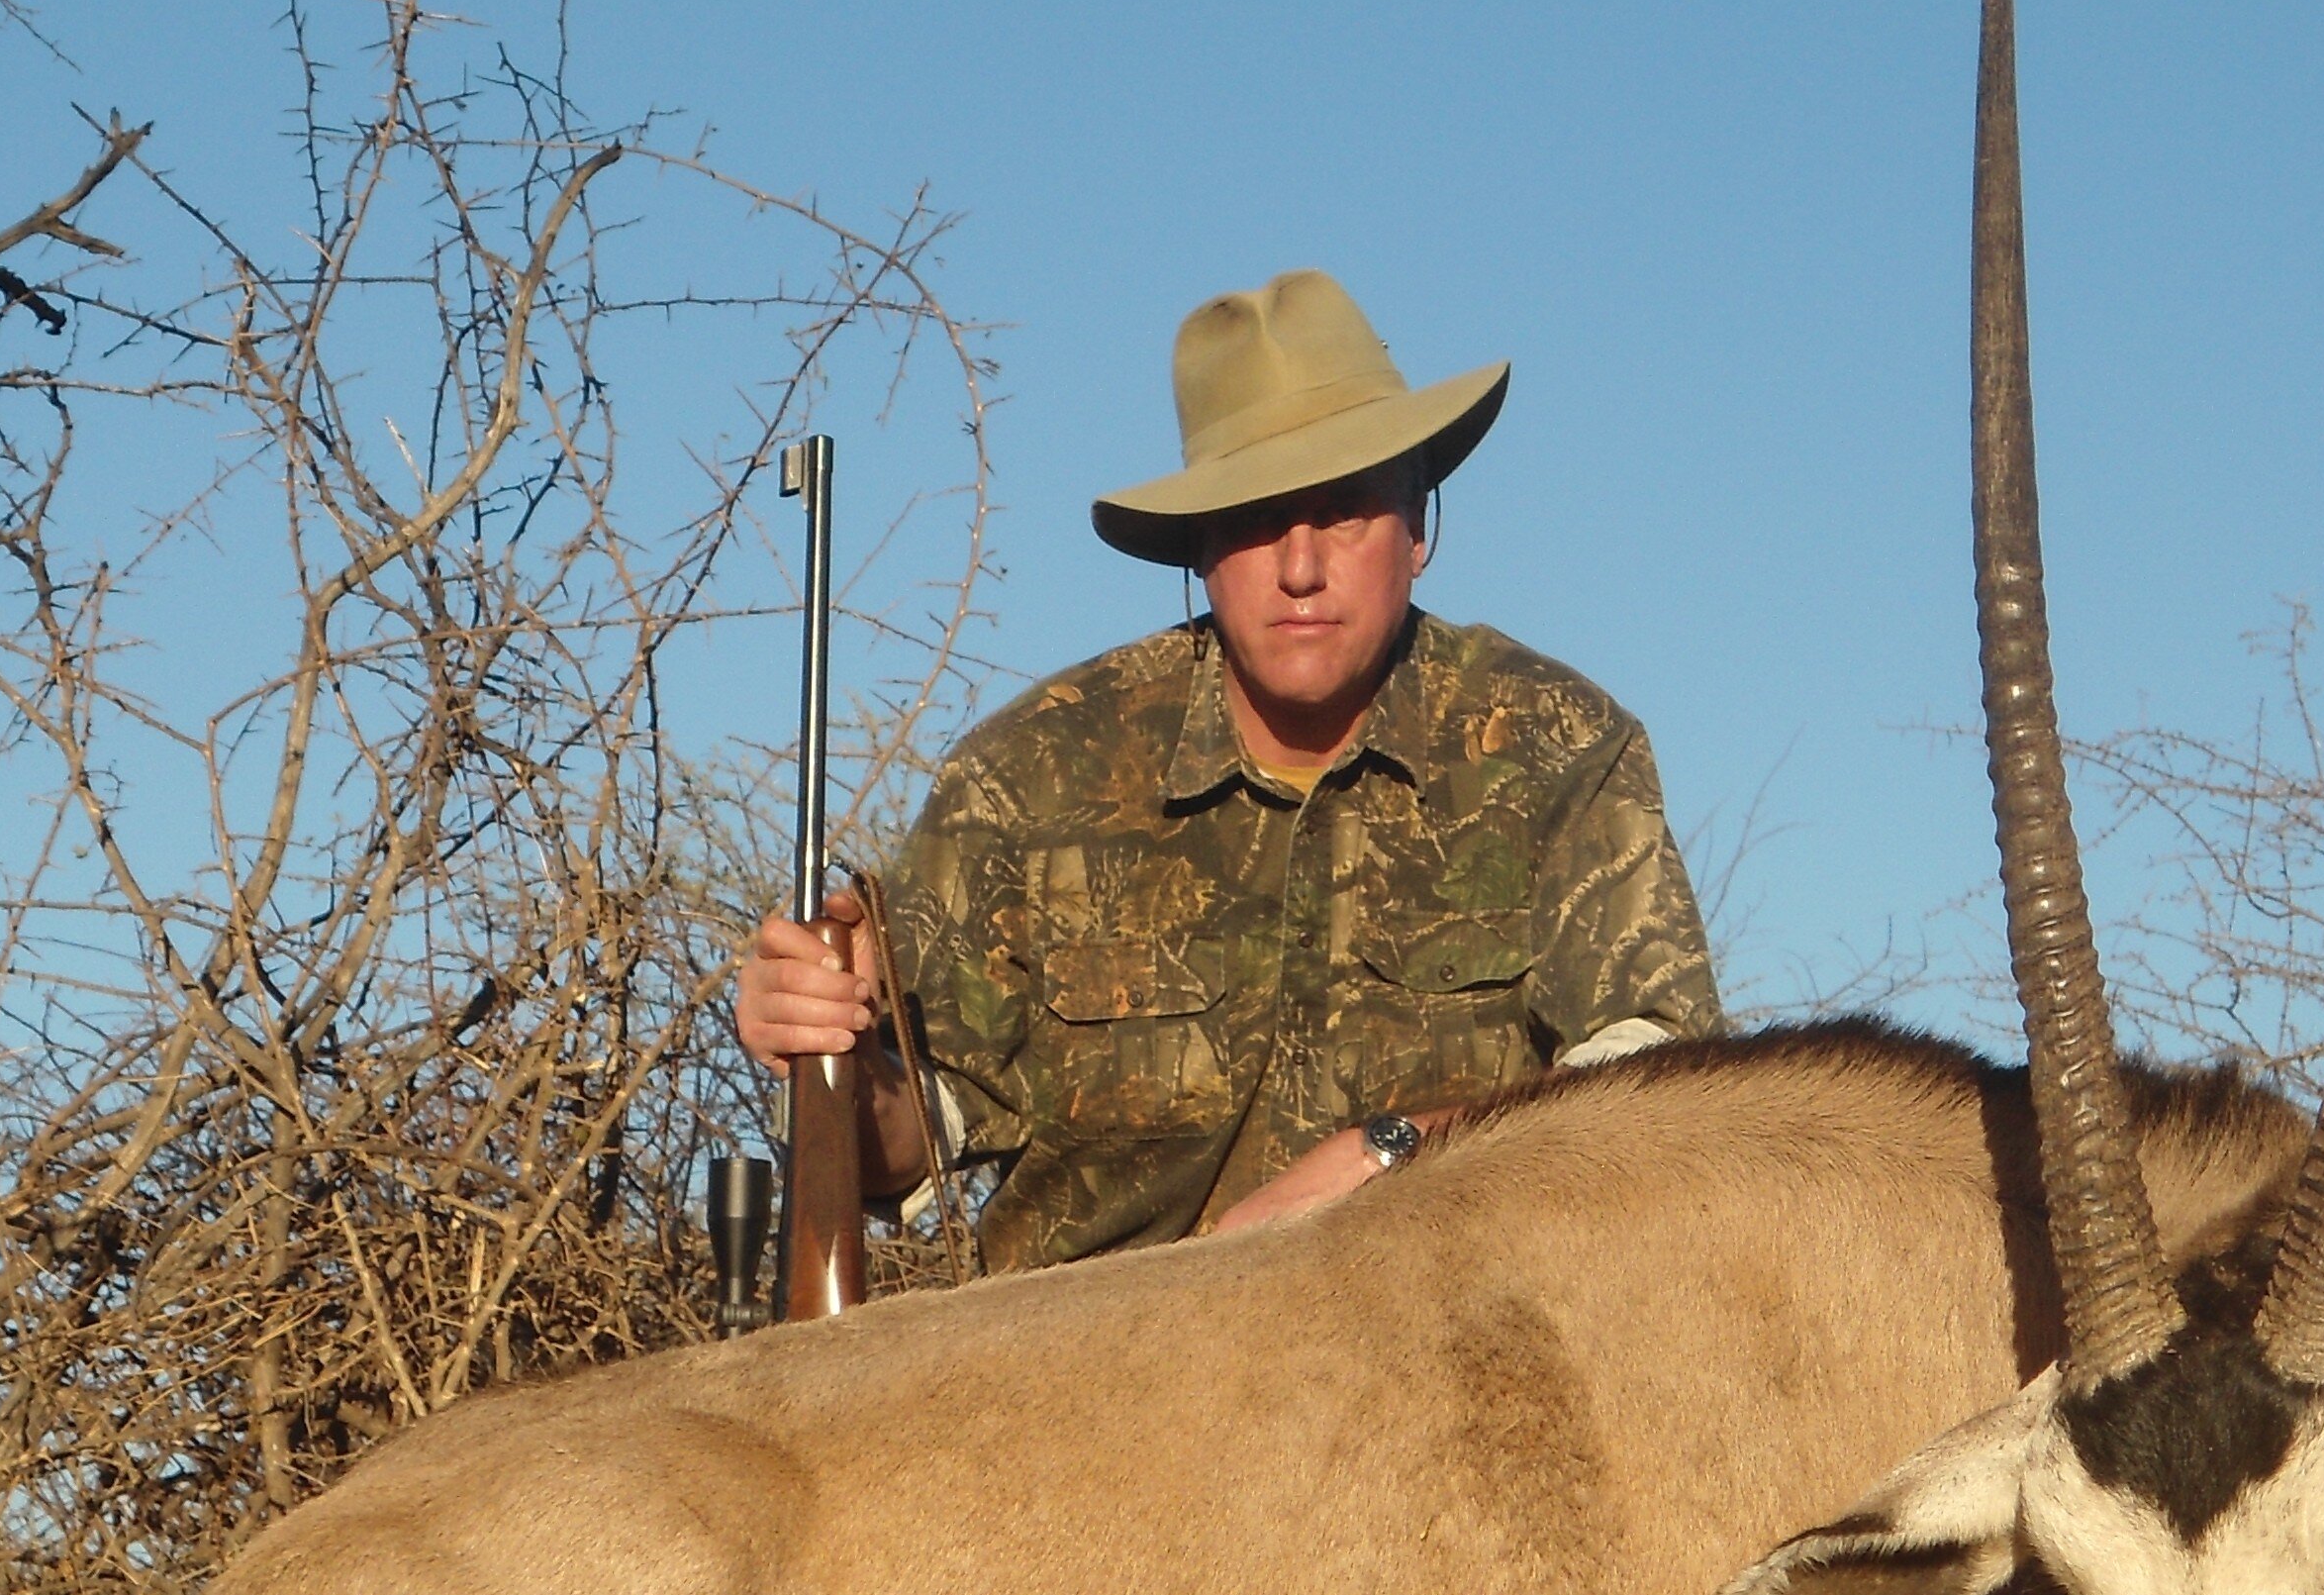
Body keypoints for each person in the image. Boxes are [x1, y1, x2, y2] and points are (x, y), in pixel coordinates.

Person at [733, 266, 1722, 1272]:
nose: (1299, 567)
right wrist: (835, 1062)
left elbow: (1661, 1084)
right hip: (1090, 1371)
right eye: (1254, 518)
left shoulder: (1560, 745)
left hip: (1445, 1343)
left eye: (1343, 509)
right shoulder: (1025, 778)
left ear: (1417, 528)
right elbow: (915, 1135)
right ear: (1198, 550)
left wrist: (1399, 1151)